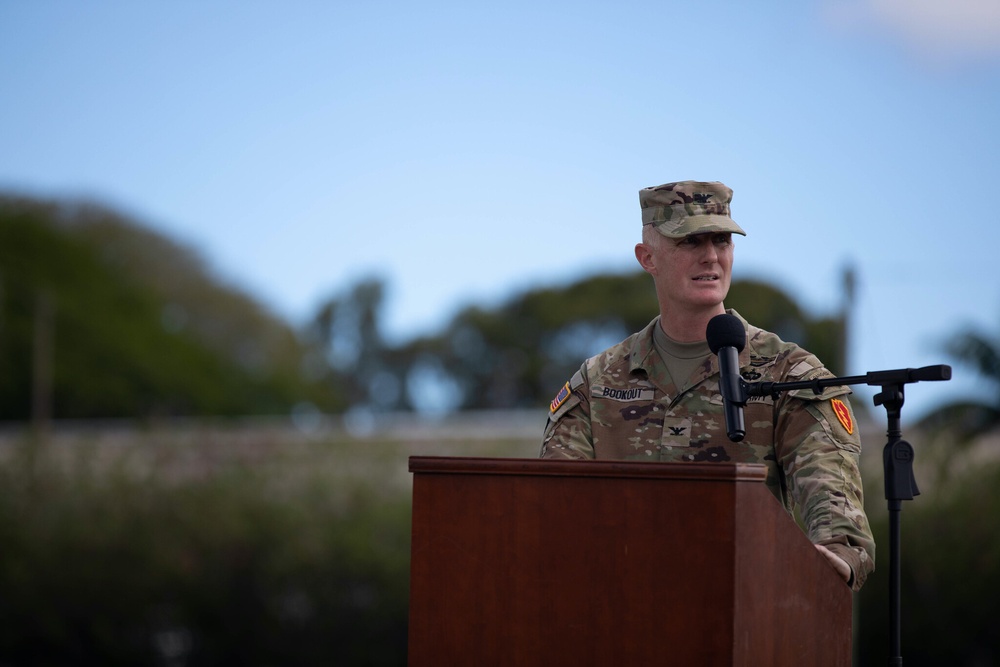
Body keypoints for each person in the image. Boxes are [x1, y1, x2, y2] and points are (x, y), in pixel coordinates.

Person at [540, 180, 875, 591]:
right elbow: (552, 505)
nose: (712, 257)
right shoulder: (598, 381)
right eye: (691, 242)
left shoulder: (789, 373)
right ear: (648, 257)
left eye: (722, 240)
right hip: (620, 606)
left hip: (745, 604)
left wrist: (835, 555)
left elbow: (830, 492)